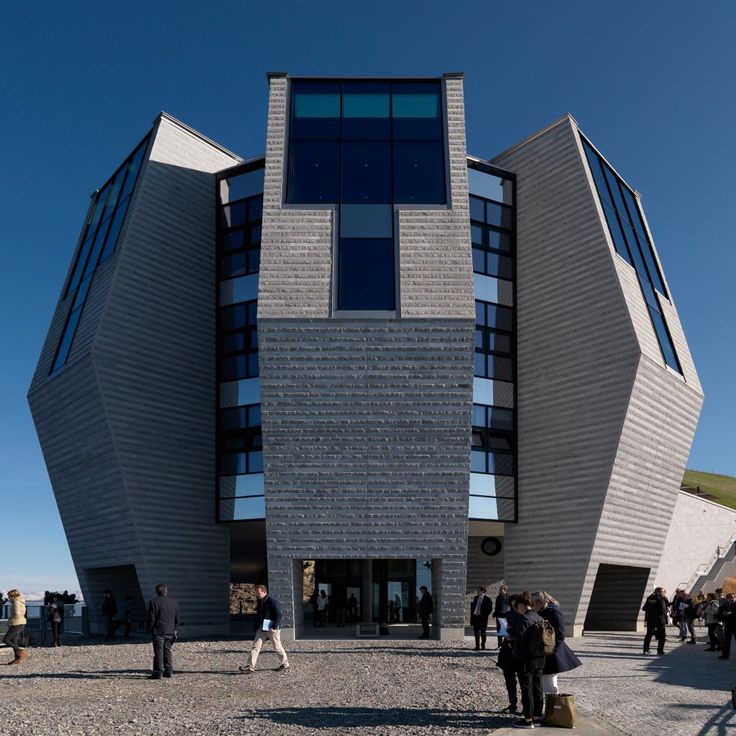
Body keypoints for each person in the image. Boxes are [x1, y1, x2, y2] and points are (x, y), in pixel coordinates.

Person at [530, 591, 581, 694]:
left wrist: (553, 650)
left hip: (551, 651)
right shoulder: (539, 612)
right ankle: (548, 706)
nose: (532, 606)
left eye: (534, 603)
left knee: (550, 684)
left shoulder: (554, 612)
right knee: (544, 683)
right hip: (542, 651)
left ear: (541, 602)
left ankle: (552, 707)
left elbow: (560, 634)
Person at [510, 592, 545, 728]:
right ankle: (537, 718)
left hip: (525, 659)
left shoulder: (524, 618)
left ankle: (527, 719)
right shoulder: (538, 616)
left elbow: (519, 637)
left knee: (526, 689)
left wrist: (510, 630)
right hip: (539, 658)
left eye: (516, 606)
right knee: (537, 687)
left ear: (521, 605)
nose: (516, 609)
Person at [240, 584, 289, 672]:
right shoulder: (260, 601)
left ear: (264, 592)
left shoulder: (273, 601)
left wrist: (274, 627)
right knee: (255, 646)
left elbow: (279, 614)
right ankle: (250, 666)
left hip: (272, 628)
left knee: (277, 646)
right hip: (262, 627)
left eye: (258, 593)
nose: (257, 594)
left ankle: (285, 664)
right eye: (256, 593)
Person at [146, 583, 179, 679]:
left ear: (157, 592)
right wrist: (175, 629)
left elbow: (151, 618)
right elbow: (177, 617)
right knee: (167, 651)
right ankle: (168, 671)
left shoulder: (153, 602)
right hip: (170, 630)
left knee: (158, 652)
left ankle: (158, 672)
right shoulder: (174, 602)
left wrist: (149, 628)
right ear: (166, 591)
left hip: (158, 631)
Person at [3, 589, 28, 665]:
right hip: (21, 622)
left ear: (12, 596)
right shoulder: (21, 601)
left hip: (17, 623)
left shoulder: (16, 602)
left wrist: (10, 621)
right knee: (14, 640)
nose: (9, 598)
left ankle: (21, 651)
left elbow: (17, 613)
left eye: (9, 596)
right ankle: (17, 658)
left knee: (6, 639)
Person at [642, 587, 668, 655]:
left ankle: (645, 649)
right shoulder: (660, 599)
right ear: (658, 592)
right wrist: (667, 610)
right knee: (662, 635)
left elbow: (644, 608)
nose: (664, 593)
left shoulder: (649, 598)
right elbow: (663, 611)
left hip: (650, 619)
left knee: (649, 634)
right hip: (659, 620)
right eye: (662, 592)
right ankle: (660, 651)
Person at [470, 586, 493, 650]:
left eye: (478, 590)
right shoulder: (475, 598)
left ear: (483, 591)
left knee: (483, 632)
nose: (477, 592)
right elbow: (474, 607)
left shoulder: (488, 599)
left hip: (482, 618)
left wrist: (484, 615)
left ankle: (483, 645)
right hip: (475, 617)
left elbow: (489, 609)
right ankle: (477, 646)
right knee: (476, 632)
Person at [718, 593, 736, 660]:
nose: (732, 599)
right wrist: (723, 613)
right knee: (727, 641)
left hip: (735, 625)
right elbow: (720, 612)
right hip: (728, 625)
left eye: (733, 597)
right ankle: (725, 655)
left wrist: (731, 613)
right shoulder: (725, 605)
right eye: (730, 597)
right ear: (727, 599)